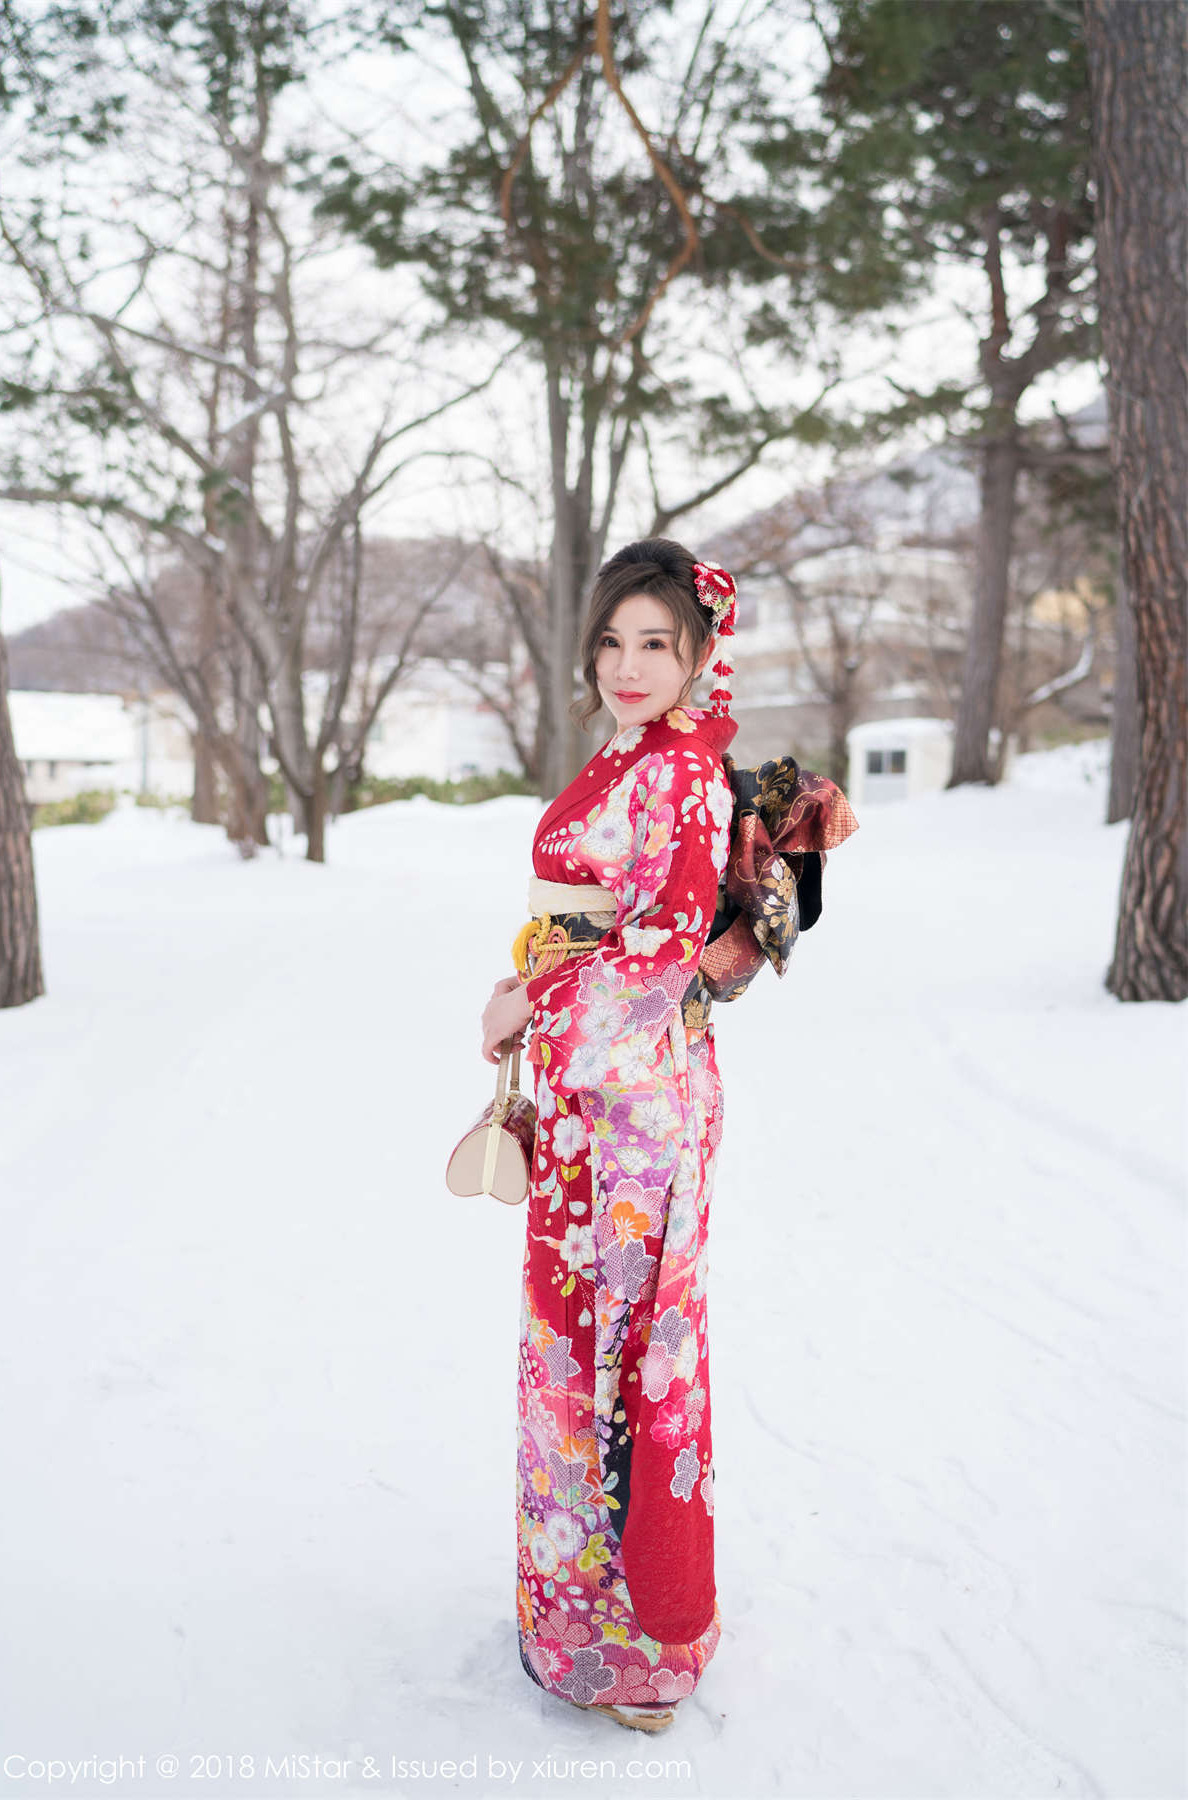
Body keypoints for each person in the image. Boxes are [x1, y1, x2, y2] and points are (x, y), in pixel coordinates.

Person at [480, 538, 743, 1734]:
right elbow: (582, 924)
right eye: (612, 641)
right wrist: (526, 985)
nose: (627, 666)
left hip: (636, 1107)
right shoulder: (628, 752)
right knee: (580, 1348)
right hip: (596, 1098)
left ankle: (640, 1646)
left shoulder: (681, 772)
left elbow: (657, 953)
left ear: (696, 657)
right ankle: (579, 1616)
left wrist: (529, 1002)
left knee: (623, 1363)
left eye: (656, 645)